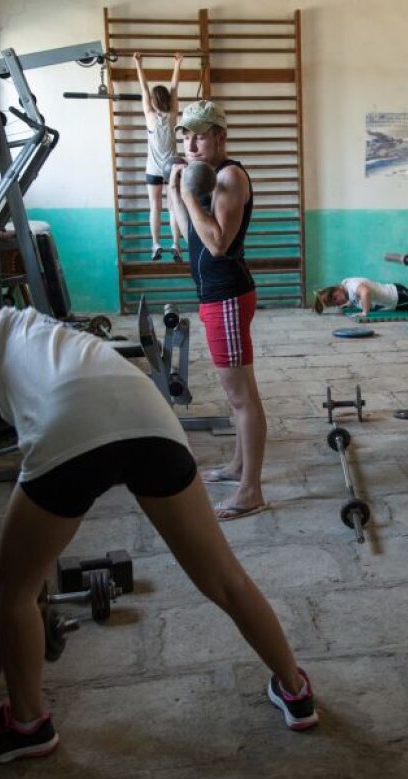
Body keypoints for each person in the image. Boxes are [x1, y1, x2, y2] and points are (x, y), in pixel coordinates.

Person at [0, 307, 318, 766]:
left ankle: (28, 724)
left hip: (73, 425)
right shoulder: (47, 334)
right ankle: (295, 690)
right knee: (225, 578)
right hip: (151, 419)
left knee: (12, 589)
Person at [168, 101, 269, 520]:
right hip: (215, 294)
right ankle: (238, 466)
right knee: (237, 394)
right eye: (186, 136)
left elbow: (217, 243)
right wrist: (176, 192)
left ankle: (251, 490)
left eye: (201, 135)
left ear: (221, 137)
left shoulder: (228, 176)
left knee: (241, 397)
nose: (191, 144)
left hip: (227, 295)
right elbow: (187, 227)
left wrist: (190, 193)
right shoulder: (206, 176)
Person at [133, 51, 184, 262]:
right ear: (169, 101)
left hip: (153, 170)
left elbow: (144, 89)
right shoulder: (173, 116)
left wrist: (139, 63)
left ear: (153, 102)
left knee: (155, 207)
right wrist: (177, 63)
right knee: (174, 207)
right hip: (171, 169)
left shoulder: (150, 117)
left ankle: (155, 244)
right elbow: (174, 88)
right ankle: (175, 244)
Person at [311, 276, 408, 317]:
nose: (338, 302)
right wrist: (349, 303)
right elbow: (354, 297)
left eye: (336, 300)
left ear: (337, 289)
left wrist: (364, 312)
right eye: (336, 304)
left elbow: (365, 292)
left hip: (398, 297)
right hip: (394, 296)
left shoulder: (352, 285)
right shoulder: (345, 285)